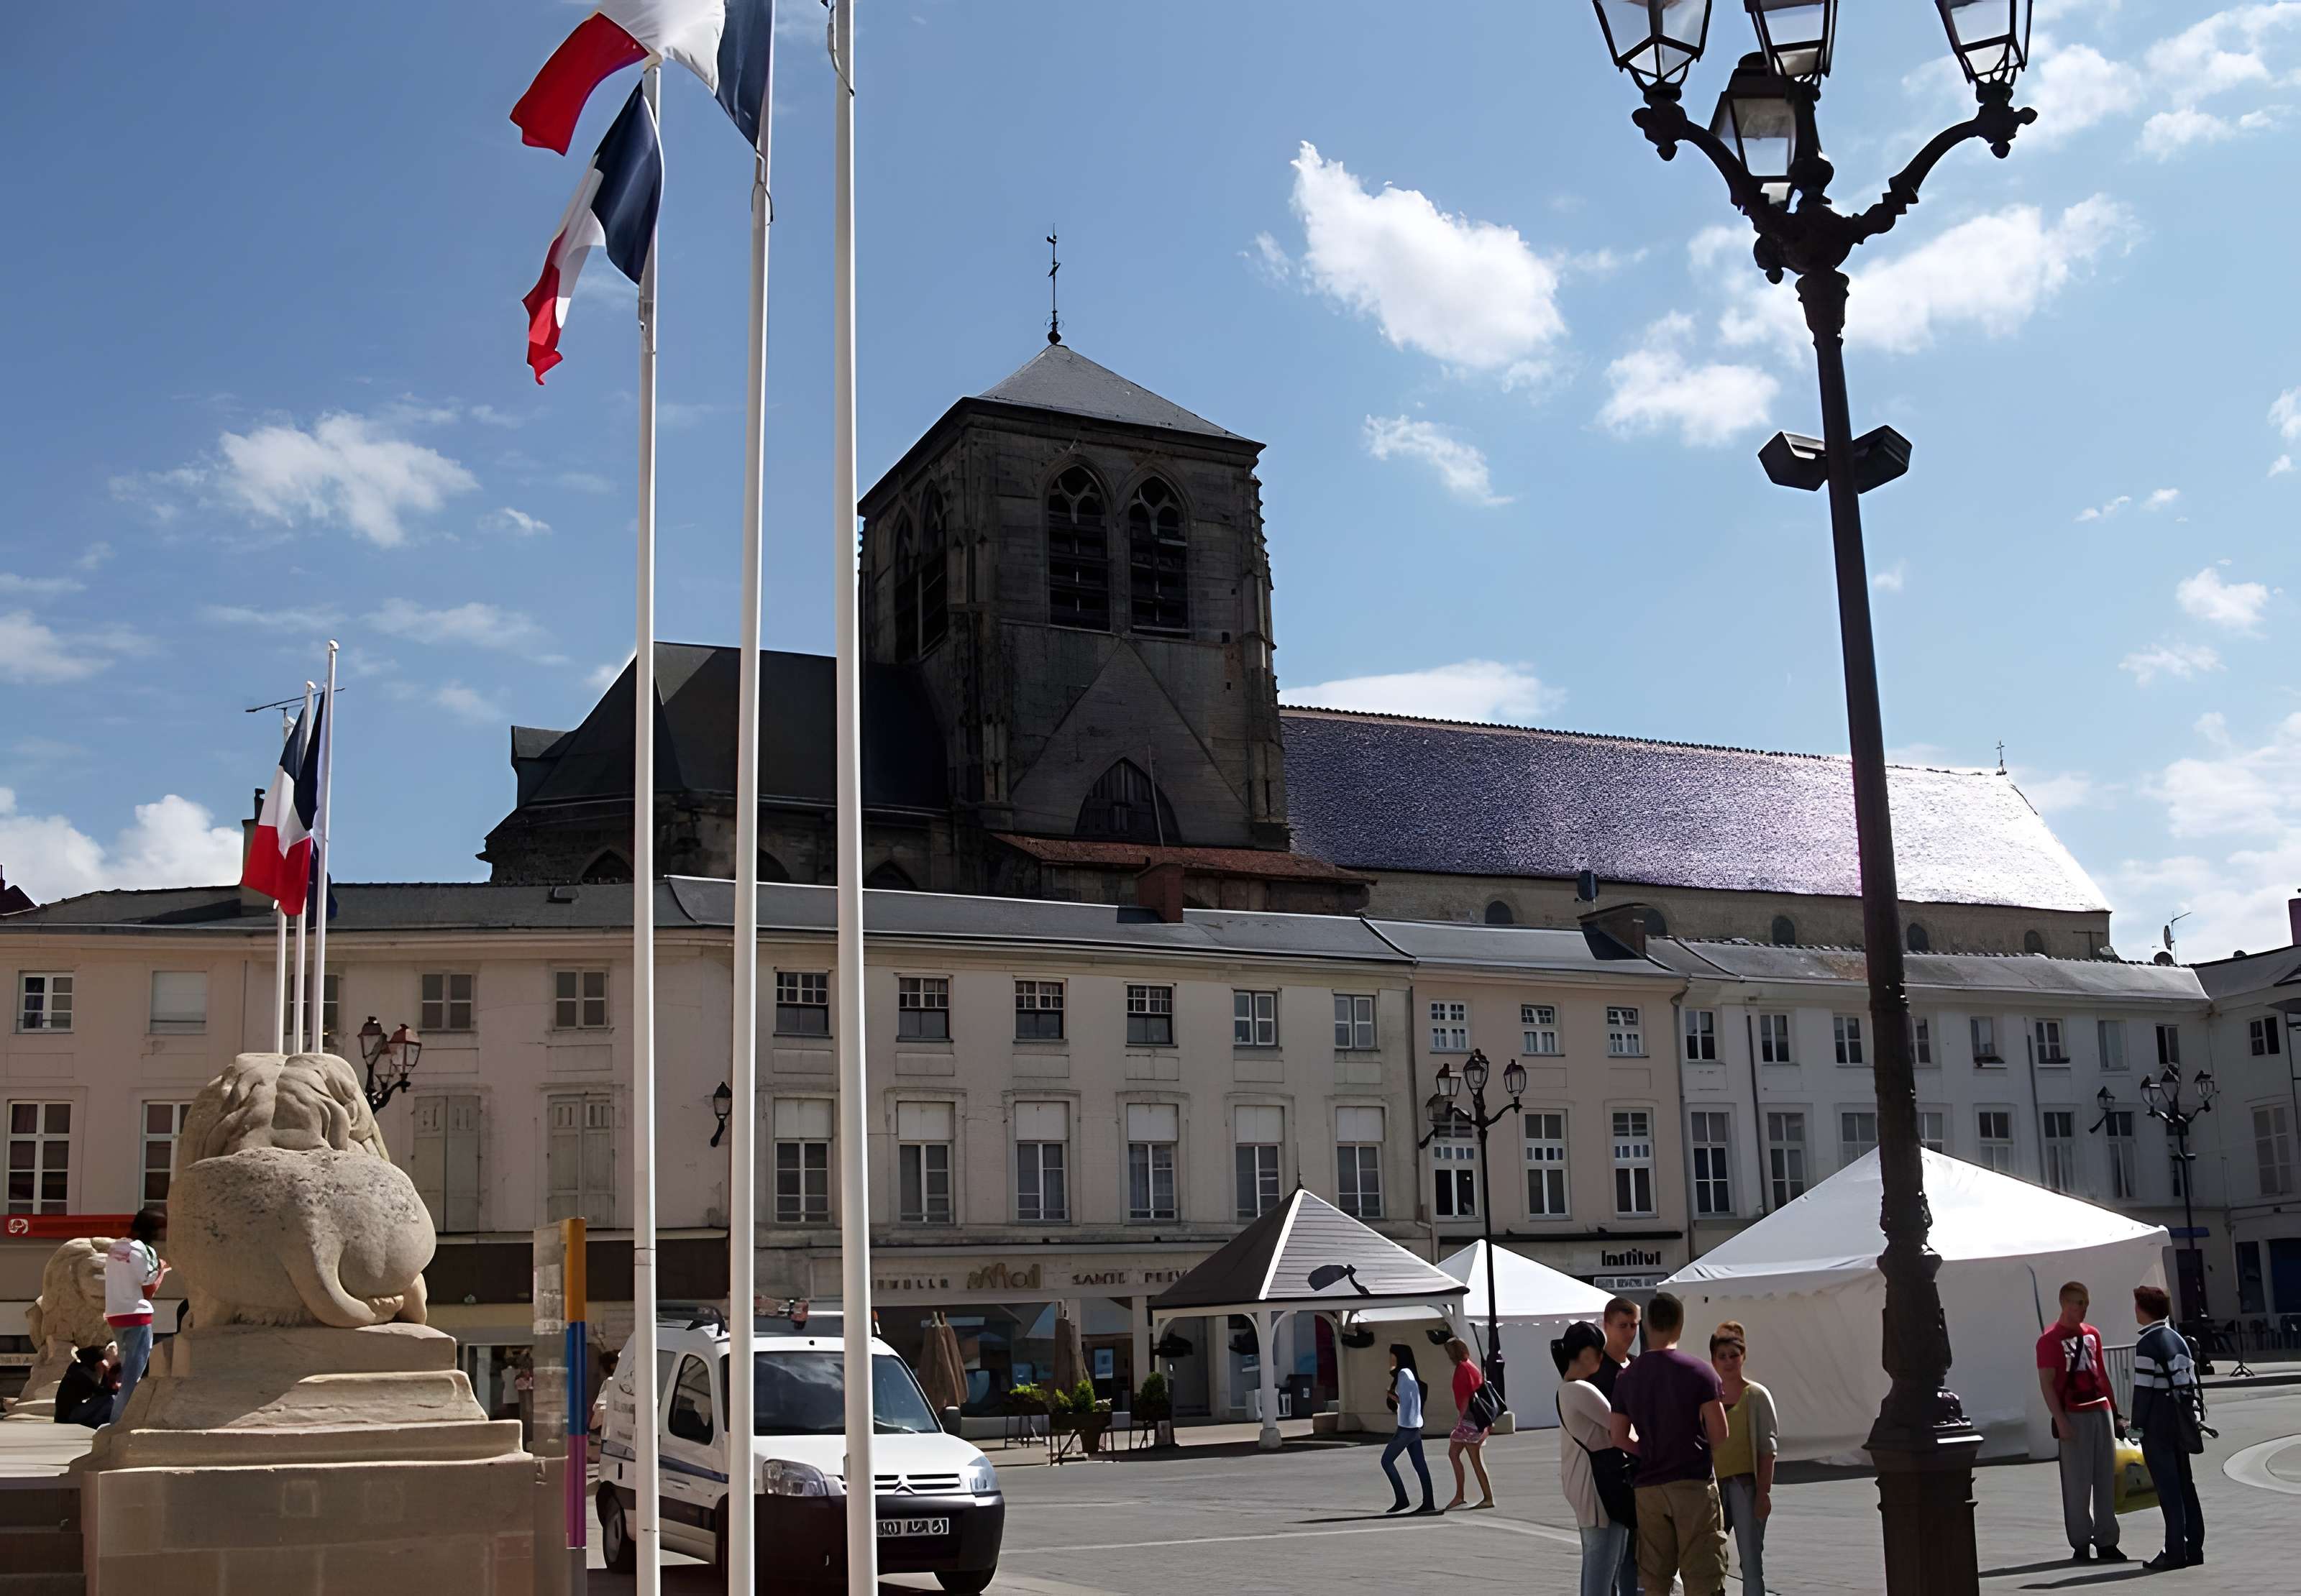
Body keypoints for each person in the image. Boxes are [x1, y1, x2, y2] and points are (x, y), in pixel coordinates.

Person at [1610, 1292, 1729, 1596]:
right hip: (1692, 1481)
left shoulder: (1627, 1377)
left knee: (1655, 1577)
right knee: (1702, 1571)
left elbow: (1618, 1436)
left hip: (1649, 1487)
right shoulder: (1701, 1372)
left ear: (1647, 1326)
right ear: (1680, 1325)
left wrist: (1648, 1450)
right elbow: (1720, 1433)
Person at [2036, 1281, 2125, 1564]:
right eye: (2077, 1302)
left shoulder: (2093, 1334)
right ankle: (2080, 1542)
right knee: (2077, 1482)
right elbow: (2047, 1384)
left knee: (2105, 1478)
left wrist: (2115, 1411)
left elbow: (2102, 1373)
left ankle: (2107, 1540)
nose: (2082, 1308)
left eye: (2085, 1302)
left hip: (2100, 1411)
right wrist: (2060, 1420)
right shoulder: (2049, 1340)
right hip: (2073, 1413)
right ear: (2063, 1303)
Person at [2130, 1284, 2205, 1572]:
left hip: (2158, 1423)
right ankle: (2193, 1547)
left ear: (2145, 1309)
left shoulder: (2147, 1344)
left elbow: (2143, 1391)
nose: (2134, 1310)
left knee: (2168, 1489)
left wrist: (2136, 1429)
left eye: (2137, 1305)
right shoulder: (2178, 1339)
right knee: (2186, 1485)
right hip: (2181, 1418)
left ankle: (2173, 1551)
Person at [1556, 1321, 1634, 1596]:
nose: (1602, 1356)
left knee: (1604, 1570)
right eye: (1597, 1349)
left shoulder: (1571, 1389)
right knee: (1601, 1574)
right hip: (1598, 1491)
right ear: (1585, 1351)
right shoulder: (1578, 1389)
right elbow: (1622, 1430)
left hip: (1596, 1488)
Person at [1709, 1321, 1778, 1596]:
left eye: (1734, 1356)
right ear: (1713, 1360)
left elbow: (1767, 1449)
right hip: (1712, 1489)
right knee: (1710, 1559)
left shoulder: (1757, 1395)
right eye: (1722, 1356)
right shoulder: (1707, 1397)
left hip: (1745, 1487)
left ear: (1743, 1357)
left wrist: (1764, 1493)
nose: (1728, 1362)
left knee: (1750, 1562)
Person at [1591, 1297, 1644, 1594]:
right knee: (1610, 1560)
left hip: (1638, 1471)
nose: (1629, 1332)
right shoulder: (1597, 1371)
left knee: (1634, 1559)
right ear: (1606, 1325)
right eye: (1623, 1325)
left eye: (1634, 1325)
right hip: (1608, 1474)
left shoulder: (1638, 1365)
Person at [103, 1207, 168, 1424]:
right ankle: (118, 1423)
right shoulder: (145, 1251)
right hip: (137, 1316)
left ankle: (118, 1419)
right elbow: (148, 1289)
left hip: (115, 1315)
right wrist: (161, 1272)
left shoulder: (116, 1248)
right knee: (133, 1376)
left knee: (125, 1370)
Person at [1379, 1343, 1437, 1515]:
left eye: (1392, 1355)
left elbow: (1407, 1403)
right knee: (1420, 1465)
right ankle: (1428, 1502)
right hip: (1413, 1426)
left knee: (1386, 1461)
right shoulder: (1409, 1374)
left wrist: (1393, 1398)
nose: (1390, 1359)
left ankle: (1402, 1499)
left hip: (1407, 1427)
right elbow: (1411, 1401)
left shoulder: (1404, 1375)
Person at [1442, 1336, 1495, 1511]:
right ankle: (1461, 1495)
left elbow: (1466, 1397)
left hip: (1470, 1421)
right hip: (1476, 1420)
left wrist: (1460, 1421)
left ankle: (1485, 1497)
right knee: (1455, 1453)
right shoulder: (1470, 1365)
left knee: (1474, 1459)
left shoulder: (1462, 1369)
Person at [53, 1345, 115, 1429]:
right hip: (69, 1416)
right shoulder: (82, 1373)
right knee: (110, 1400)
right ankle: (101, 1423)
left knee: (108, 1400)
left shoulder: (77, 1367)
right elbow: (102, 1392)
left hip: (66, 1415)